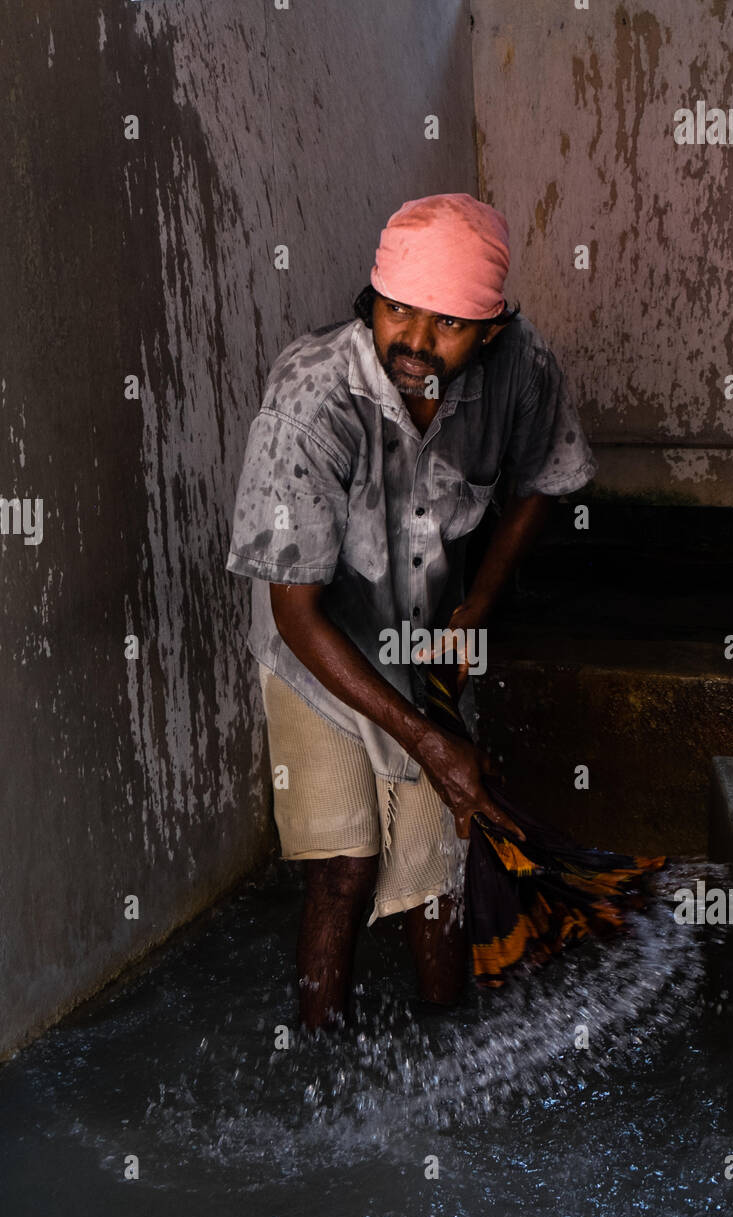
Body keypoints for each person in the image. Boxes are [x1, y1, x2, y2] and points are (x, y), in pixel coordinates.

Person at [226, 192, 596, 1029]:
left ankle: (444, 1046)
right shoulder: (312, 400)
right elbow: (296, 613)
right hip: (317, 650)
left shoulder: (521, 369)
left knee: (440, 862)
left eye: (448, 325)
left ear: (491, 331)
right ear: (372, 299)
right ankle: (322, 1064)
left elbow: (550, 475)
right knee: (345, 864)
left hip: (424, 639)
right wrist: (428, 740)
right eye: (397, 311)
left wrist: (477, 606)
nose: (416, 343)